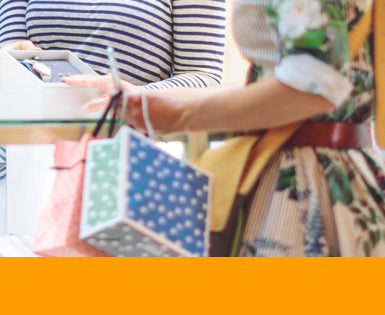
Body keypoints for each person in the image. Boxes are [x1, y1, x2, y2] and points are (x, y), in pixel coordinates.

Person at [68, 0, 383, 256]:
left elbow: (313, 85)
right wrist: (152, 100)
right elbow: (275, 81)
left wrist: (178, 114)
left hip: (305, 187)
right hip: (317, 172)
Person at [0, 0, 228, 236]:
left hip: (127, 178)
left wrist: (136, 99)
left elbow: (203, 78)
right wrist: (4, 67)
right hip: (23, 176)